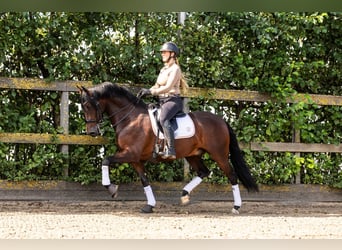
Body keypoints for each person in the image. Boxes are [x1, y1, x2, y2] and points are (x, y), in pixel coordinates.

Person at [137, 41, 188, 160]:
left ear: (172, 54)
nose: (163, 54)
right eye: (162, 52)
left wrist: (152, 92)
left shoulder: (175, 69)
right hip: (162, 101)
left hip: (173, 101)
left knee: (163, 118)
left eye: (165, 52)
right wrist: (146, 91)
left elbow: (168, 87)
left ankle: (171, 149)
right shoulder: (163, 70)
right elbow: (157, 85)